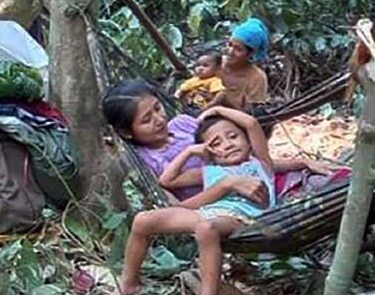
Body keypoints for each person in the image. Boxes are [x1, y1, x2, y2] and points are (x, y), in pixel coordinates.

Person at [119, 107, 279, 295]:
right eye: (217, 143)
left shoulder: (260, 163)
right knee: (143, 220)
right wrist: (190, 152)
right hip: (207, 213)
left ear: (248, 141)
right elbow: (167, 181)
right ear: (210, 152)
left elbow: (251, 123)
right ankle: (128, 285)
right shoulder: (209, 172)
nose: (228, 144)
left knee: (206, 228)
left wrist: (216, 109)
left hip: (245, 219)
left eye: (233, 136)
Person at [102, 80, 337, 203]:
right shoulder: (146, 161)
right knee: (322, 197)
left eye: (157, 108)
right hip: (233, 206)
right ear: (127, 132)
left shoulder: (183, 124)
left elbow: (243, 160)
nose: (159, 118)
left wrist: (302, 162)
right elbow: (170, 202)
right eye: (146, 119)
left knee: (335, 180)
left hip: (261, 179)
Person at [212, 17, 270, 110]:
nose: (230, 51)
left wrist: (223, 101)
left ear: (250, 53)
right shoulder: (214, 64)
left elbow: (251, 116)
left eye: (238, 49)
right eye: (230, 45)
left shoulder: (256, 77)